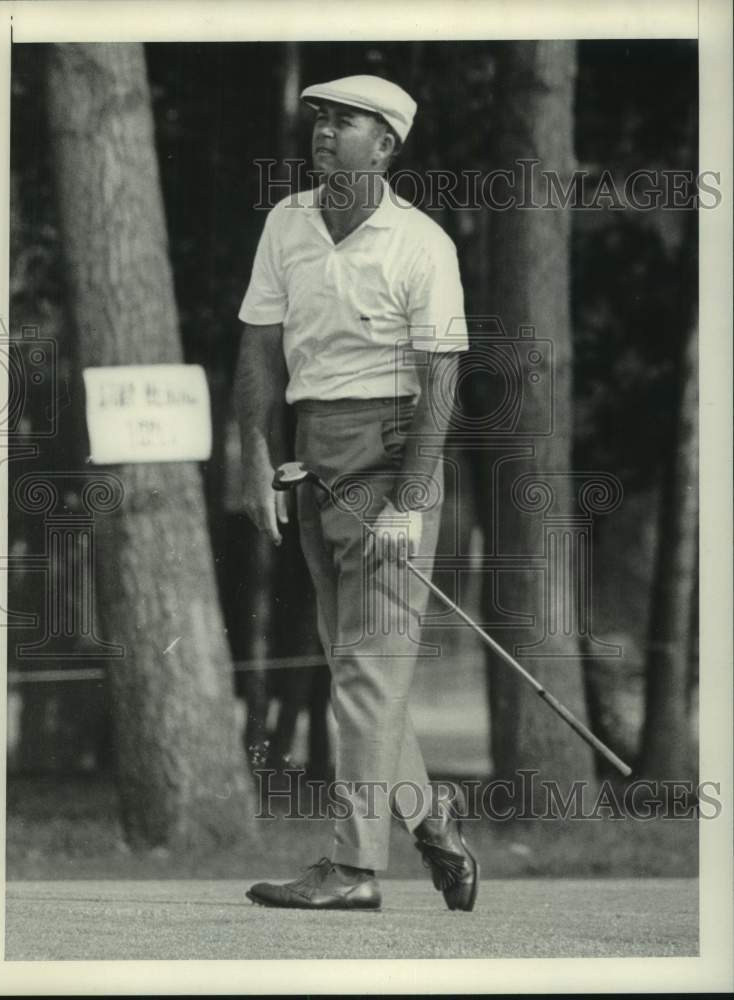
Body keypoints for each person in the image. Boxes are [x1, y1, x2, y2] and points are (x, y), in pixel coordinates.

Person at [235, 74, 478, 911]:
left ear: (385, 146)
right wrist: (255, 457)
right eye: (320, 120)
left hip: (392, 456)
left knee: (369, 673)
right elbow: (262, 350)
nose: (325, 132)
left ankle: (352, 868)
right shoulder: (287, 223)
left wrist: (411, 501)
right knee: (355, 668)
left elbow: (441, 380)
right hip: (312, 458)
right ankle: (430, 814)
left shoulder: (422, 244)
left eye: (346, 122)